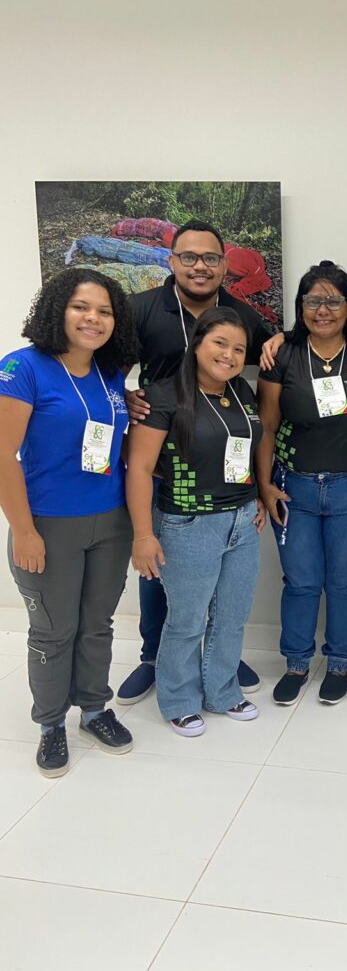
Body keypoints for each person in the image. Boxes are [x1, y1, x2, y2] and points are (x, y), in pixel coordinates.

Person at [117, 219, 271, 704]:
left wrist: (278, 342)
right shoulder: (141, 309)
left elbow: (274, 351)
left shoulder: (242, 315)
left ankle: (218, 659)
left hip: (223, 473)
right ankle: (153, 656)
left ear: (225, 265)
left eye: (210, 258)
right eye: (189, 257)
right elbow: (103, 368)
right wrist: (125, 397)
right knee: (159, 571)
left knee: (224, 589)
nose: (199, 266)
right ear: (172, 261)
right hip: (163, 464)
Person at [0, 269, 138, 776]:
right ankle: (51, 724)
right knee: (55, 631)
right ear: (58, 309)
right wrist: (25, 531)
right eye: (81, 307)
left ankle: (95, 710)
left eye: (104, 311)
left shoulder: (111, 373)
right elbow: (2, 456)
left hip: (111, 522)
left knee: (97, 625)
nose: (93, 319)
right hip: (48, 525)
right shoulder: (22, 368)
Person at [126, 308, 265, 737]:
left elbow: (242, 452)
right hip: (188, 525)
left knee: (232, 616)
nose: (229, 355)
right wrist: (143, 535)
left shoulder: (241, 391)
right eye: (220, 343)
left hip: (242, 521)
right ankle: (179, 701)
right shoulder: (164, 396)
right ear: (197, 343)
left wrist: (257, 496)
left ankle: (222, 691)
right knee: (186, 620)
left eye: (239, 349)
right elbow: (139, 468)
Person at [257, 262, 347, 705]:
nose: (322, 310)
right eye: (312, 301)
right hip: (293, 488)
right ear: (300, 306)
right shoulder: (283, 355)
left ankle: (339, 663)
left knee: (345, 583)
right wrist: (264, 485)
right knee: (301, 582)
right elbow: (267, 427)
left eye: (333, 300)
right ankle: (297, 663)